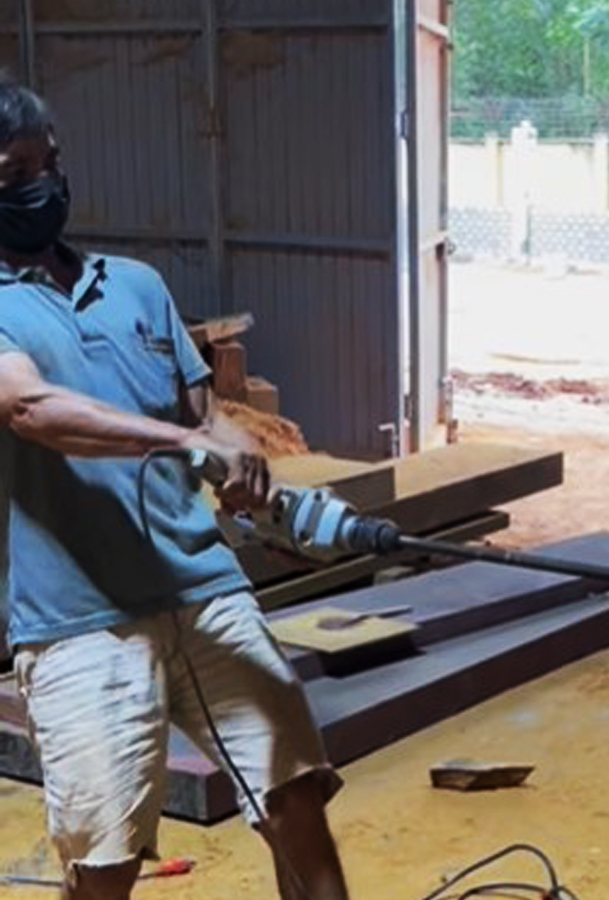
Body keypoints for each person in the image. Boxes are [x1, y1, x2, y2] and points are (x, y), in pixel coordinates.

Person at [0, 81, 350, 900]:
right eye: (10, 176)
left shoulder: (136, 285)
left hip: (204, 586)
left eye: (40, 166)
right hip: (79, 618)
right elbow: (29, 408)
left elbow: (205, 413)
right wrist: (183, 442)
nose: (33, 187)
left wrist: (238, 456)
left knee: (295, 794)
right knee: (106, 857)